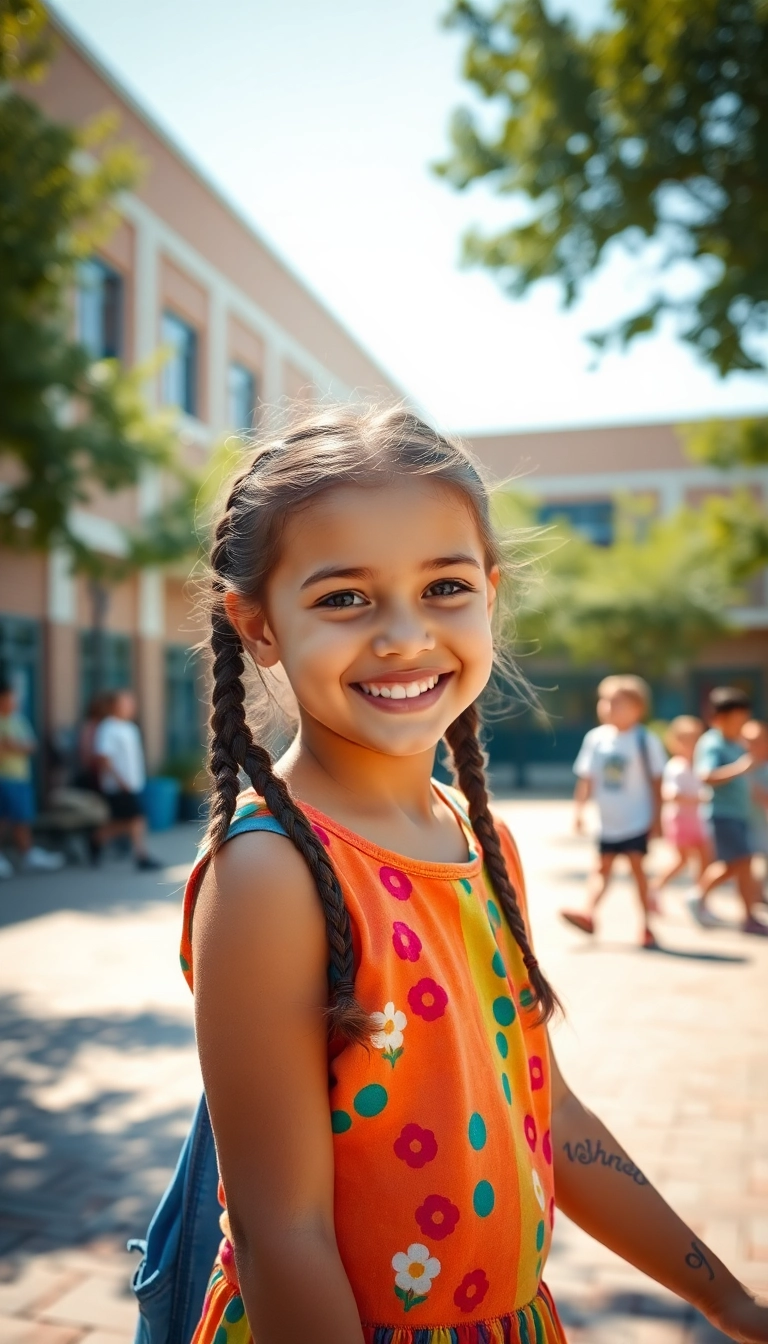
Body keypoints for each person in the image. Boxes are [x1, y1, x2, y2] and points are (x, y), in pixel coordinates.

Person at [182, 405, 768, 1344]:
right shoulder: (269, 875)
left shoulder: (479, 840)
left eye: (446, 586)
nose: (406, 636)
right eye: (344, 598)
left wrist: (727, 1297)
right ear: (255, 624)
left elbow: (552, 1107)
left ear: (490, 593)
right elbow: (278, 1232)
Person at [560, 674, 666, 949]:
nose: (608, 707)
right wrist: (579, 811)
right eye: (604, 701)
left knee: (637, 870)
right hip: (609, 822)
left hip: (637, 820)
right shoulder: (596, 739)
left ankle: (646, 926)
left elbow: (657, 783)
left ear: (637, 708)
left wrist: (657, 819)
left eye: (616, 702)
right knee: (601, 868)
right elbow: (587, 779)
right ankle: (588, 912)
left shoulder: (645, 740)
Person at [691, 688, 768, 935]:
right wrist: (740, 767)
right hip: (722, 814)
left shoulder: (736, 743)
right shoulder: (713, 743)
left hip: (740, 813)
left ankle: (748, 917)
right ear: (719, 719)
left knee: (744, 864)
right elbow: (706, 776)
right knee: (737, 862)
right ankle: (698, 894)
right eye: (737, 721)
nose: (741, 726)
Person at [0, 681, 65, 876]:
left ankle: (27, 854)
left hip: (20, 777)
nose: (14, 702)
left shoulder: (18, 720)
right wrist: (15, 746)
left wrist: (14, 745)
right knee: (3, 818)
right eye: (11, 698)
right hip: (3, 777)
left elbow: (30, 745)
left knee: (22, 818)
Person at [92, 690, 160, 870]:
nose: (130, 707)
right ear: (114, 706)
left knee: (126, 821)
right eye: (125, 703)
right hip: (118, 785)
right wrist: (119, 780)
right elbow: (104, 758)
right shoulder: (108, 727)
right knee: (137, 818)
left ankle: (98, 838)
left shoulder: (130, 727)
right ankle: (141, 856)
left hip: (134, 783)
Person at [650, 716, 712, 903]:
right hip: (681, 820)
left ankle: (700, 896)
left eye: (694, 739)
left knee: (705, 859)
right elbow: (669, 794)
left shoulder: (700, 764)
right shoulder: (675, 766)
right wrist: (697, 799)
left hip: (699, 820)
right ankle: (655, 888)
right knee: (682, 860)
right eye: (685, 739)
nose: (690, 744)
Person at [741, 720, 768, 904]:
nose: (752, 745)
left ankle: (757, 895)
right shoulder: (740, 765)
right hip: (743, 824)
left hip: (762, 824)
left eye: (758, 740)